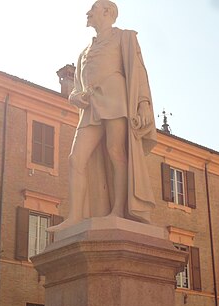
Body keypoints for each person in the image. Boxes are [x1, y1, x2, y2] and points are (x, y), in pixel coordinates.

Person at [48, 0, 157, 232]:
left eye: (93, 9)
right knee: (76, 159)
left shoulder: (124, 38)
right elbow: (77, 87)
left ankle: (118, 210)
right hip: (90, 107)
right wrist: (75, 97)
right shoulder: (83, 53)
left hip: (116, 99)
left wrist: (143, 103)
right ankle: (75, 216)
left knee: (115, 151)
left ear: (108, 12)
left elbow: (139, 72)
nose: (88, 13)